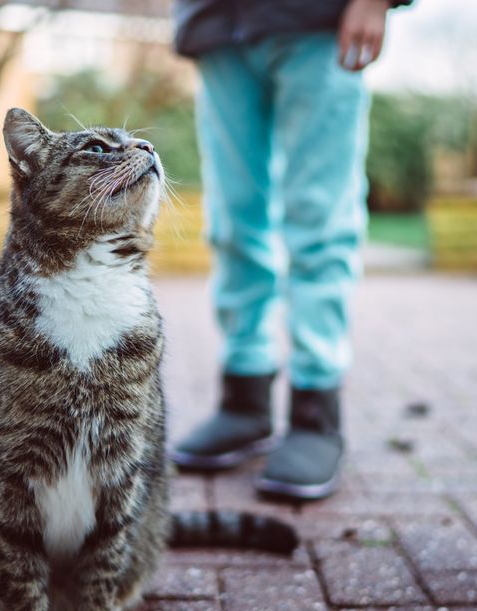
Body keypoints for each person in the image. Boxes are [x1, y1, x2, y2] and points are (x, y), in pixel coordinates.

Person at [169, 0, 412, 500]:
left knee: (319, 221)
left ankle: (315, 413)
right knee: (234, 221)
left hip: (319, 20)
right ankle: (244, 398)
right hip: (217, 26)